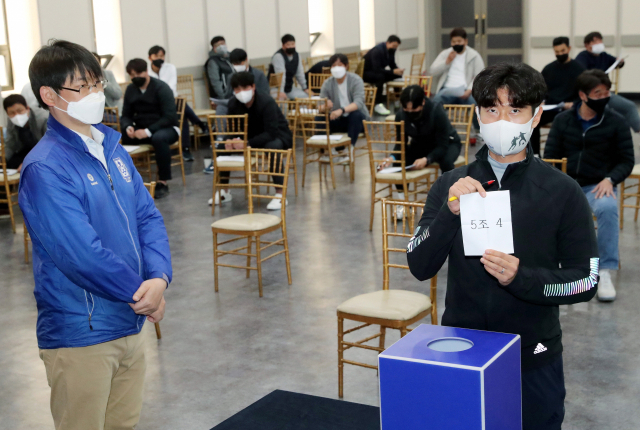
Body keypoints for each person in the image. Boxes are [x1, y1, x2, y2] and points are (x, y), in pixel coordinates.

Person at [407, 62, 599, 430]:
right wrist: (449, 213)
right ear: (478, 115)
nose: (503, 120)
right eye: (492, 109)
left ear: (536, 115)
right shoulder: (451, 183)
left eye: (515, 109)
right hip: (464, 348)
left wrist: (521, 277)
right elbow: (418, 263)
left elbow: (586, 280)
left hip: (534, 353)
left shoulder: (562, 191)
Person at [19, 39, 171, 430]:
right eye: (81, 87)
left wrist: (159, 278)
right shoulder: (46, 168)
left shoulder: (112, 147)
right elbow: (81, 255)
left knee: (124, 424)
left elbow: (147, 216)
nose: (94, 94)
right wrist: (143, 294)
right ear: (49, 95)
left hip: (131, 319)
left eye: (97, 83)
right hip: (82, 332)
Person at [544, 69, 633, 302]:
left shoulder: (617, 122)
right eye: (598, 93)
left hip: (598, 186)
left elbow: (627, 160)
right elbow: (550, 157)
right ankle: (551, 265)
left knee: (607, 208)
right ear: (583, 96)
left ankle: (603, 272)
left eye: (607, 93)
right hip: (566, 185)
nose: (604, 97)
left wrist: (610, 179)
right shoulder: (563, 121)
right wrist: (560, 185)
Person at [215, 72, 292, 210]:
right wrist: (229, 140)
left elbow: (271, 132)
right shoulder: (233, 103)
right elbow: (231, 129)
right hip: (250, 137)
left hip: (277, 135)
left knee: (272, 147)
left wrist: (246, 144)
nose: (241, 92)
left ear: (253, 87)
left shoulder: (266, 102)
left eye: (245, 88)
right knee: (221, 147)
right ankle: (224, 190)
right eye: (237, 89)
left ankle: (280, 194)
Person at [121, 58, 179, 199]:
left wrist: (148, 131)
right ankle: (128, 181)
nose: (135, 78)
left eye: (138, 74)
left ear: (146, 71)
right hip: (141, 129)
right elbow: (126, 115)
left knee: (159, 139)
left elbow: (170, 116)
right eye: (132, 75)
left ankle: (162, 182)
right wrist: (128, 127)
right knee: (122, 136)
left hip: (166, 128)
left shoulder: (161, 87)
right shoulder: (131, 89)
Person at [148, 45, 207, 161]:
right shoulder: (146, 71)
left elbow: (171, 87)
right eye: (156, 56)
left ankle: (186, 148)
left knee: (181, 113)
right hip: (155, 105)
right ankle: (199, 125)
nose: (160, 58)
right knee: (181, 110)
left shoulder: (170, 67)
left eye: (162, 56)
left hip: (171, 100)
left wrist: (164, 95)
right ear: (150, 57)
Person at [575, 31, 640, 133]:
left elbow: (616, 63)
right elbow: (582, 76)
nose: (599, 44)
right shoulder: (582, 57)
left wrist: (620, 62)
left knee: (630, 106)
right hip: (591, 94)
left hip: (605, 93)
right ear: (587, 45)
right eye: (595, 41)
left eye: (600, 41)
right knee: (606, 110)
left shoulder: (604, 55)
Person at [530, 37, 585, 154]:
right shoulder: (549, 69)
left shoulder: (579, 69)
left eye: (563, 51)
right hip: (551, 107)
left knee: (567, 123)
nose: (560, 54)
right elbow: (541, 89)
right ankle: (535, 155)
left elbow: (583, 93)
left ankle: (565, 155)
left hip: (570, 108)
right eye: (557, 52)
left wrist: (574, 103)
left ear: (569, 49)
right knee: (532, 118)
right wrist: (542, 100)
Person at [316, 53, 369, 163]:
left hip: (356, 121)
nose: (336, 68)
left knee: (356, 115)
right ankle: (327, 151)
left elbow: (359, 103)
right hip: (338, 120)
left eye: (339, 65)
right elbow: (319, 105)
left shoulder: (355, 80)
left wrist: (342, 110)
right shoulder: (327, 83)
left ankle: (350, 150)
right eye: (333, 66)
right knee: (320, 118)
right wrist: (324, 106)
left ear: (346, 66)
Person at [429, 27, 484, 130]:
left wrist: (469, 90)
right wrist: (447, 62)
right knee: (436, 101)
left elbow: (480, 76)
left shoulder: (474, 56)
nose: (456, 44)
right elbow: (432, 71)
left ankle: (478, 131)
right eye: (454, 42)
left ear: (465, 41)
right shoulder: (446, 54)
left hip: (466, 90)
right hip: (448, 90)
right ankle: (440, 130)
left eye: (459, 41)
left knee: (476, 105)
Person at [2, 94, 48, 171]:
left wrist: (29, 162)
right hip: (24, 150)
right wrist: (3, 159)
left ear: (27, 108)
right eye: (12, 113)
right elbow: (10, 144)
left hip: (43, 151)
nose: (16, 115)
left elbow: (47, 146)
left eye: (20, 111)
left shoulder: (43, 118)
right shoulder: (11, 120)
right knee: (8, 164)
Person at [362, 35, 403, 115]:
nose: (394, 48)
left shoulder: (391, 51)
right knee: (380, 77)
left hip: (378, 72)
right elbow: (376, 69)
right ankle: (378, 104)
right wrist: (393, 72)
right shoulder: (377, 50)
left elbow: (392, 64)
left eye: (396, 47)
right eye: (393, 46)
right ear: (388, 43)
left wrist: (398, 71)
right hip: (367, 73)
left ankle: (397, 100)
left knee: (397, 76)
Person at [271, 34, 309, 100]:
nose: (291, 46)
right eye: (288, 45)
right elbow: (281, 75)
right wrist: (281, 91)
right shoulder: (278, 56)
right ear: (283, 46)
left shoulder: (297, 55)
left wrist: (305, 88)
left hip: (289, 88)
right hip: (275, 89)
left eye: (293, 44)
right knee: (282, 102)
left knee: (305, 98)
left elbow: (300, 73)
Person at [205, 36, 234, 102]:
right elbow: (215, 82)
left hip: (235, 93)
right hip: (222, 97)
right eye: (219, 44)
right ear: (214, 48)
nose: (222, 46)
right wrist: (223, 97)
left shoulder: (231, 58)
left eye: (223, 43)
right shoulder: (213, 62)